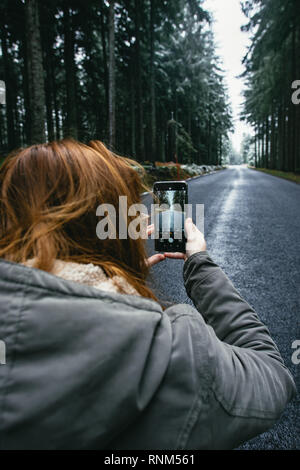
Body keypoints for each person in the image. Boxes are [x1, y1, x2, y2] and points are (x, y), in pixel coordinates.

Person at [0, 139, 296, 450]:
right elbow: (271, 374)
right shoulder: (166, 350)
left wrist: (108, 280)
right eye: (130, 211)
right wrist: (200, 265)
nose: (141, 221)